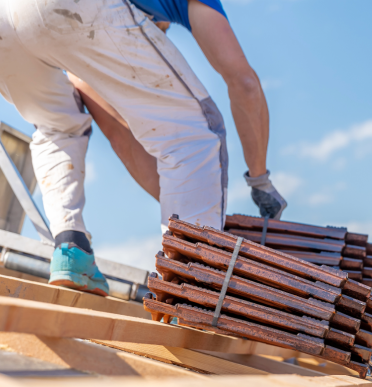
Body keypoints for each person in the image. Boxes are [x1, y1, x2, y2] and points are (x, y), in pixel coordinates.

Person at [0, 0, 285, 297]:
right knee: (196, 135)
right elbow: (244, 82)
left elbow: (120, 135)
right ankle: (189, 287)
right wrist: (259, 180)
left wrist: (197, 216)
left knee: (56, 124)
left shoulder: (87, 50)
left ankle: (72, 250)